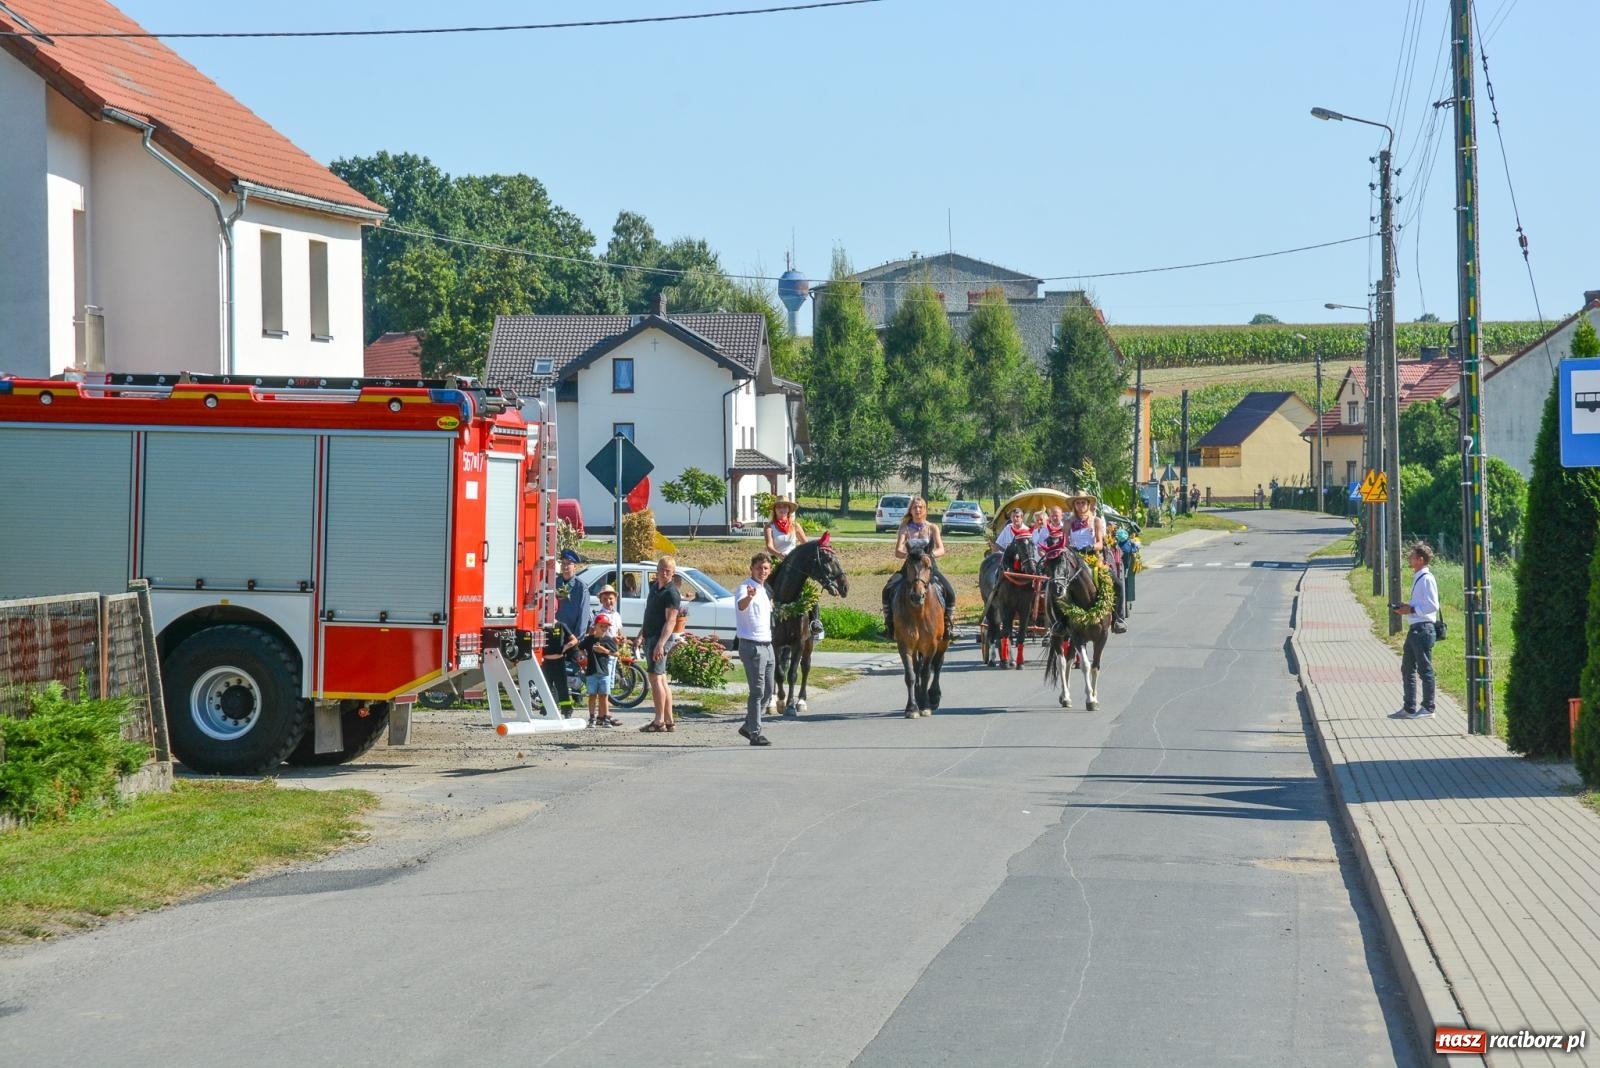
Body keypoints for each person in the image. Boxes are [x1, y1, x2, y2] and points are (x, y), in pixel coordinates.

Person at [882, 496, 954, 640]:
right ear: (910, 510)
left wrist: (930, 555)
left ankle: (948, 626)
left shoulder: (932, 528)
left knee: (950, 592)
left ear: (925, 510)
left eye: (920, 507)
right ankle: (890, 625)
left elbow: (941, 549)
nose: (918, 510)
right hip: (909, 568)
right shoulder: (905, 528)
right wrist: (909, 556)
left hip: (929, 567)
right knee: (887, 589)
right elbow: (898, 551)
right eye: (915, 507)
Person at [764, 498, 826, 642]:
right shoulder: (769, 527)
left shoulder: (795, 526)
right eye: (779, 507)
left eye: (785, 507)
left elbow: (805, 544)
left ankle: (815, 621)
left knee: (810, 590)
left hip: (795, 563)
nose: (782, 509)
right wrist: (779, 555)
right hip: (777, 560)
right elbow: (769, 546)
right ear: (775, 510)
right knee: (766, 586)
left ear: (789, 510)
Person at [1391, 541, 1440, 719]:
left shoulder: (1427, 578)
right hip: (1415, 629)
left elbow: (1433, 605)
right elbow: (1422, 603)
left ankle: (1428, 707)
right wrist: (1406, 606)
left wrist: (1411, 610)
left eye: (1412, 556)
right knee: (1407, 668)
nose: (1409, 559)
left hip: (1423, 629)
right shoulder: (1418, 577)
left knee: (1424, 668)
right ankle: (1409, 707)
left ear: (1420, 559)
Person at [734, 553, 776, 747]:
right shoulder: (745, 587)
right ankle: (755, 733)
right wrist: (749, 598)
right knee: (757, 691)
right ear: (752, 568)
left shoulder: (765, 590)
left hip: (767, 645)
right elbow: (741, 606)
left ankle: (748, 725)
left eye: (766, 568)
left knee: (769, 689)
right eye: (759, 568)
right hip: (751, 645)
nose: (762, 571)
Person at [637, 555, 681, 733]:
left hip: (660, 639)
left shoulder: (672, 593)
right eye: (661, 569)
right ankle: (669, 720)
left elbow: (671, 621)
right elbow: (650, 613)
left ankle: (659, 720)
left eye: (668, 571)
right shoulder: (655, 587)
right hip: (650, 636)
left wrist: (660, 644)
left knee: (655, 679)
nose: (664, 573)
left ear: (673, 573)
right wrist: (641, 634)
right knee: (661, 678)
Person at [554, 549, 591, 697]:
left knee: (576, 665)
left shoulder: (581, 587)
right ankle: (558, 693)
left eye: (568, 564)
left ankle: (577, 693)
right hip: (556, 632)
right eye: (563, 563)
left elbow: (583, 614)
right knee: (557, 666)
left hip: (573, 634)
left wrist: (577, 636)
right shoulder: (555, 583)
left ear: (575, 567)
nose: (565, 566)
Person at [579, 614, 622, 728]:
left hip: (604, 672)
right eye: (601, 626)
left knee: (604, 695)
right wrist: (584, 657)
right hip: (591, 671)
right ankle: (592, 717)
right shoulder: (589, 639)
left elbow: (617, 653)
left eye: (606, 626)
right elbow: (580, 648)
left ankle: (605, 717)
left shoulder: (608, 640)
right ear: (595, 626)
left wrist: (605, 651)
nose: (604, 628)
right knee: (592, 695)